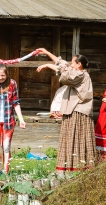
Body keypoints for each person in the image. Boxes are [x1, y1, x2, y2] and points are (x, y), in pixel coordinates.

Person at [36, 48, 96, 178]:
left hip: (78, 112)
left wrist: (49, 65)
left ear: (79, 64)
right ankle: (69, 168)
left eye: (73, 63)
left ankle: (77, 169)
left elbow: (65, 71)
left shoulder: (80, 75)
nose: (70, 64)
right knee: (69, 138)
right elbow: (61, 63)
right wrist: (46, 54)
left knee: (77, 139)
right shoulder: (77, 72)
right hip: (72, 111)